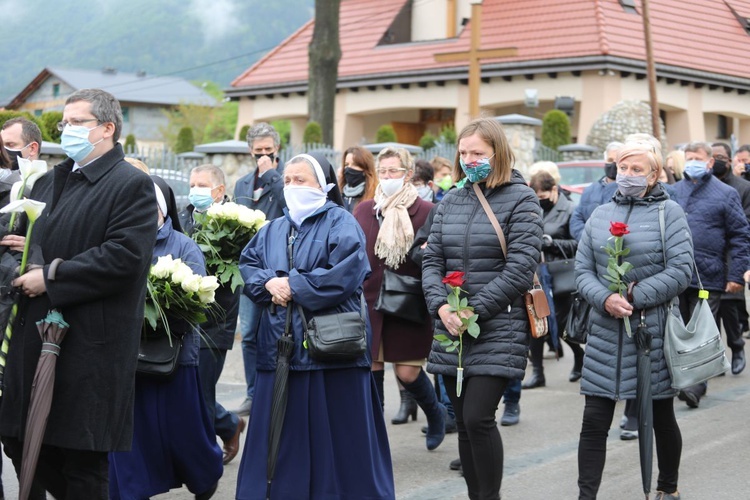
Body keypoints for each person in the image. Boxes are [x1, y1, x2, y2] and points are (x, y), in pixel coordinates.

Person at [0, 88, 157, 498]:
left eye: (76, 122)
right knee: (21, 442)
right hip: (35, 337)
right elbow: (30, 238)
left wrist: (50, 277)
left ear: (107, 128)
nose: (65, 129)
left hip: (90, 346)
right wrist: (26, 255)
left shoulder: (131, 185)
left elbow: (124, 257)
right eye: (63, 122)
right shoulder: (49, 181)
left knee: (80, 463)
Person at [236, 152, 394, 499]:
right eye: (288, 180)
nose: (292, 186)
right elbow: (248, 264)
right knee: (281, 432)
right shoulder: (273, 227)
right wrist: (266, 283)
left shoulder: (341, 222)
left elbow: (347, 274)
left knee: (337, 435)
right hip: (280, 348)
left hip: (330, 348)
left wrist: (294, 285)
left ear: (323, 185)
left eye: (301, 180)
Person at [423, 117, 543, 499]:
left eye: (478, 152)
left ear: (498, 152)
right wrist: (441, 307)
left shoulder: (521, 198)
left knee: (478, 417)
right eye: (464, 153)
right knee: (462, 420)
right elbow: (431, 261)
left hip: (498, 326)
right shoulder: (452, 199)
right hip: (451, 325)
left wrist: (473, 310)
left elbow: (522, 266)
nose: (469, 159)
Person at [575, 140, 693, 500]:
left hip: (649, 334)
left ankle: (667, 487)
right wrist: (605, 298)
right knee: (594, 421)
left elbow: (681, 270)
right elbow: (582, 270)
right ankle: (586, 495)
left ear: (655, 175)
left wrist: (633, 297)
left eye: (636, 169)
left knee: (660, 416)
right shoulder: (598, 214)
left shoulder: (669, 213)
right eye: (622, 168)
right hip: (604, 335)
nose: (626, 175)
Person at [109, 176, 222, 500]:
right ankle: (131, 491)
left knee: (184, 434)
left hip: (174, 358)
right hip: (125, 356)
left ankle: (204, 475)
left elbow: (198, 302)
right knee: (130, 436)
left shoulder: (183, 246)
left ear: (162, 210)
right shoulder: (119, 241)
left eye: (148, 207)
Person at [353, 147, 446, 448]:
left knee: (407, 372)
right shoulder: (364, 210)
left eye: (394, 171)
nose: (388, 177)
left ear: (408, 174)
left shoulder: (427, 211)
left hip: (407, 303)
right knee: (372, 369)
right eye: (383, 171)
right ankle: (374, 439)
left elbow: (436, 258)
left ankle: (436, 414)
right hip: (369, 302)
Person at [672, 142, 750, 408]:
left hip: (709, 275)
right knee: (680, 328)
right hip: (677, 274)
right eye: (688, 157)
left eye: (697, 158)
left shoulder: (726, 194)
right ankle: (683, 378)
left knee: (703, 328)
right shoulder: (673, 191)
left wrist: (737, 275)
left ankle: (697, 385)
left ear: (708, 163)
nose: (692, 161)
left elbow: (740, 236)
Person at [179, 164, 245, 464]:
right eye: (192, 184)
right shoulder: (185, 215)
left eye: (202, 185)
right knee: (188, 388)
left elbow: (236, 275)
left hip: (216, 320)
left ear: (219, 190)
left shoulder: (236, 224)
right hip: (185, 317)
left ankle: (208, 453)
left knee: (200, 390)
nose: (195, 190)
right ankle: (227, 424)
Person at [233, 122, 287, 418]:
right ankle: (254, 394)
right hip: (251, 270)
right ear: (249, 152)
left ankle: (277, 390)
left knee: (279, 333)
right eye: (258, 152)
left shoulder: (285, 178)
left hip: (279, 269)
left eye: (268, 150)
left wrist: (271, 175)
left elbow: (289, 205)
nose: (263, 156)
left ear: (277, 149)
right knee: (250, 333)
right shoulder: (242, 184)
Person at [522, 171, 583, 388]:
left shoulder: (570, 210)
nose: (541, 201)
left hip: (560, 276)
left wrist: (552, 243)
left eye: (544, 196)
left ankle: (579, 356)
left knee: (562, 324)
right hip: (537, 274)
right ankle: (538, 373)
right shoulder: (532, 208)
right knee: (536, 323)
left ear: (554, 189)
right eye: (536, 197)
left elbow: (579, 244)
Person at [711, 142, 750, 376]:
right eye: (712, 156)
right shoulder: (705, 186)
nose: (716, 161)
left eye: (720, 157)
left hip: (731, 254)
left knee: (729, 306)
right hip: (707, 256)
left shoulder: (743, 188)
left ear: (729, 160)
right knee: (709, 309)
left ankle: (737, 347)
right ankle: (715, 356)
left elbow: (745, 224)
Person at [569, 142, 623, 240]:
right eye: (610, 160)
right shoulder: (590, 190)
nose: (613, 164)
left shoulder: (626, 191)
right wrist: (586, 238)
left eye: (617, 161)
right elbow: (577, 218)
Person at [338, 145, 377, 212]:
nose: (349, 168)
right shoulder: (337, 195)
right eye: (346, 164)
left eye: (354, 165)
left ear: (365, 169)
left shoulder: (375, 197)